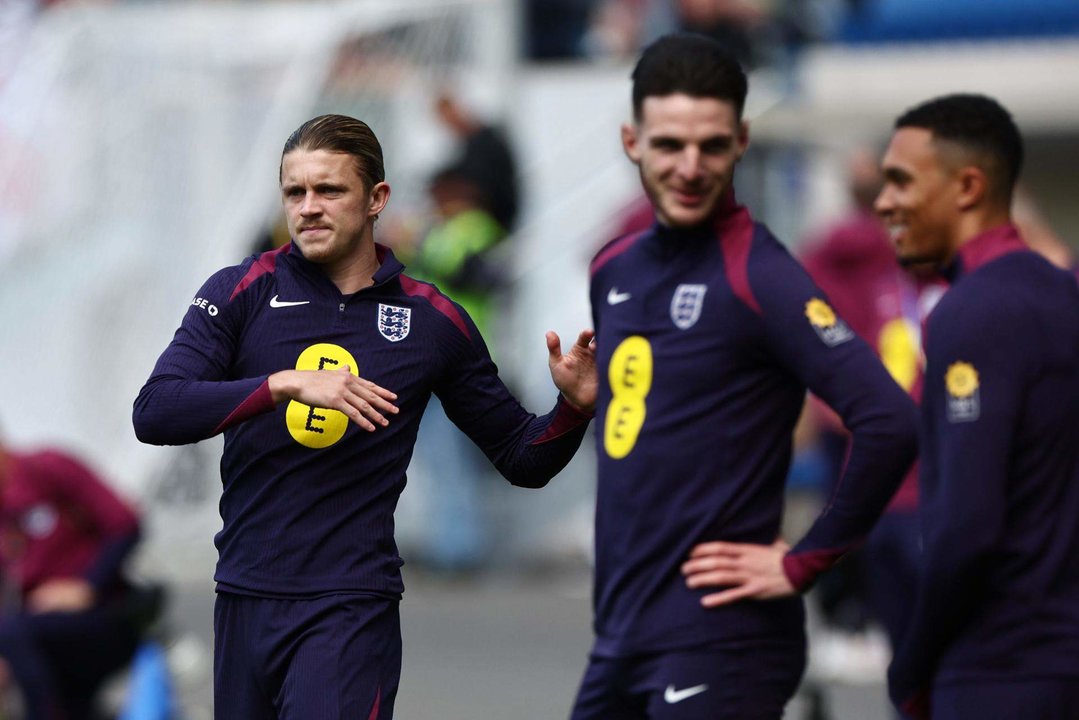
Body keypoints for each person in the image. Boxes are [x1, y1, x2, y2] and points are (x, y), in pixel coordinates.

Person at [132, 113, 597, 720]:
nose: (309, 208)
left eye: (329, 190)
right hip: (242, 598)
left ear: (377, 199)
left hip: (348, 610)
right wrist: (281, 384)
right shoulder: (240, 290)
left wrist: (574, 408)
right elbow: (156, 410)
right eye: (295, 192)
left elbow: (520, 456)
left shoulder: (432, 322)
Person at [574, 33, 917, 719]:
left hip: (719, 642)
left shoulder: (760, 274)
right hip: (619, 635)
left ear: (741, 141)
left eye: (711, 145)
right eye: (669, 144)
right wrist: (584, 401)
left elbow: (890, 420)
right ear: (631, 140)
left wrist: (803, 561)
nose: (690, 166)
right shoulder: (615, 268)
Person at [875, 94, 1079, 719]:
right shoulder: (1064, 294)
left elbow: (967, 525)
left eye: (901, 182)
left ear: (967, 186)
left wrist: (912, 662)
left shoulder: (971, 311)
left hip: (1000, 668)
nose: (885, 203)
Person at [0, 431, 145, 720]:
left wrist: (86, 586)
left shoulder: (47, 468)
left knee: (12, 633)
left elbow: (125, 523)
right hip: (43, 634)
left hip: (102, 615)